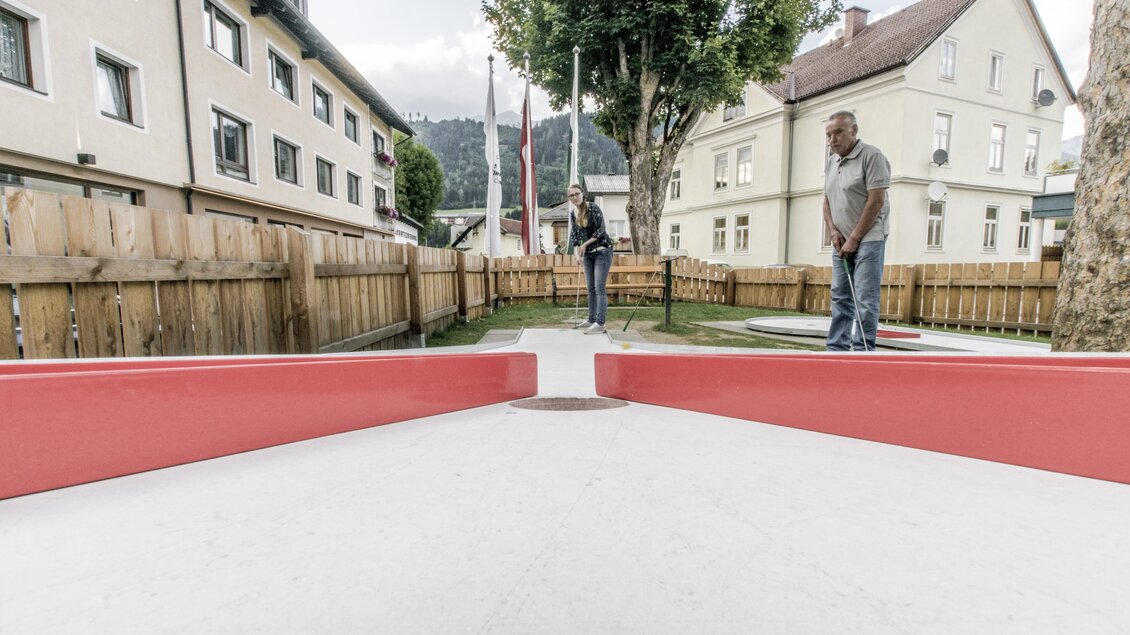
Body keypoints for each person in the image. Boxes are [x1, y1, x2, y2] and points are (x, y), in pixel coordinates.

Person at [822, 110, 890, 351]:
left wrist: (854, 238)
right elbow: (827, 200)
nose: (832, 139)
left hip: (869, 237)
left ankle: (863, 350)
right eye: (829, 135)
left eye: (838, 132)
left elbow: (876, 201)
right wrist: (833, 231)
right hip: (841, 239)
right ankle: (837, 347)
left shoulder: (872, 157)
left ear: (854, 130)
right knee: (840, 294)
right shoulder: (831, 162)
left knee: (865, 298)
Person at [568, 184, 614, 334]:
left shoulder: (592, 207)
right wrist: (577, 254)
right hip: (587, 254)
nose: (574, 197)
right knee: (591, 289)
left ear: (582, 194)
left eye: (576, 194)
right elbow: (575, 236)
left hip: (602, 251)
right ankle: (591, 319)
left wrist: (586, 244)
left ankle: (600, 324)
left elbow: (601, 230)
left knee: (599, 288)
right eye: (571, 195)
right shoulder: (573, 213)